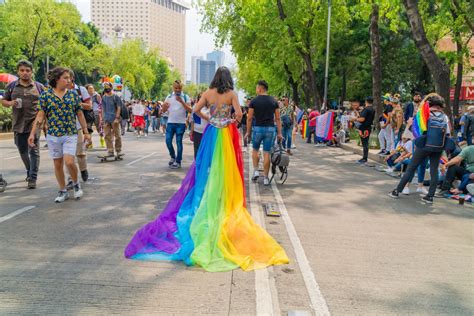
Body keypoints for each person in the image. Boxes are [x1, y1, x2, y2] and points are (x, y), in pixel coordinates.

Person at [124, 66, 289, 272]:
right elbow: (239, 114)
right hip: (226, 135)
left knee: (207, 168)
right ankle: (222, 201)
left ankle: (206, 199)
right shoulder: (231, 94)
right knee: (226, 169)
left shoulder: (209, 93)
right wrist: (230, 120)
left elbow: (194, 110)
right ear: (229, 79)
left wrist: (210, 118)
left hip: (212, 132)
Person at [28, 67, 91, 203]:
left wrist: (86, 132)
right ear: (57, 79)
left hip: (70, 133)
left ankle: (76, 184)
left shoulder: (73, 94)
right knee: (57, 164)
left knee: (69, 161)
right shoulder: (46, 95)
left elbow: (79, 113)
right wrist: (33, 133)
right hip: (53, 135)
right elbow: (40, 116)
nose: (69, 80)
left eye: (69, 78)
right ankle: (62, 190)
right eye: (66, 78)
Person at [389, 93, 450, 204]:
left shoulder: (423, 113)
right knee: (433, 171)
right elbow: (448, 134)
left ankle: (397, 191)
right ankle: (430, 196)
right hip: (438, 147)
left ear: (429, 103)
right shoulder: (445, 117)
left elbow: (416, 131)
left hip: (423, 146)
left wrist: (411, 126)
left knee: (411, 168)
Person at [1, 60, 43, 189]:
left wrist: (44, 122)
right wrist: (10, 103)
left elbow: (45, 105)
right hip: (18, 123)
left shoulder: (39, 87)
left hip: (34, 123)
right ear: (18, 72)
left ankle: (32, 178)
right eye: (22, 70)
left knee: (34, 150)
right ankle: (30, 170)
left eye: (28, 70)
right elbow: (4, 101)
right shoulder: (12, 86)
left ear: (31, 72)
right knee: (22, 150)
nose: (25, 73)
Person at [245, 80, 283, 186]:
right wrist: (279, 133)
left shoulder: (254, 101)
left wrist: (248, 132)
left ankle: (256, 170)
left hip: (257, 129)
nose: (256, 90)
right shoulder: (273, 101)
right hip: (270, 129)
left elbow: (249, 118)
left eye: (257, 88)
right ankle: (266, 178)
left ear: (260, 88)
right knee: (267, 152)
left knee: (255, 150)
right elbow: (278, 118)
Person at [161, 80, 192, 169]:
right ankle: (173, 156)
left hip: (181, 124)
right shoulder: (169, 96)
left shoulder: (186, 97)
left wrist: (182, 101)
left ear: (182, 88)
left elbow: (190, 110)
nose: (178, 90)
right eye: (176, 88)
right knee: (168, 141)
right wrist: (164, 107)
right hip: (170, 123)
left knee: (179, 142)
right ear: (173, 88)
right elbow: (163, 111)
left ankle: (178, 161)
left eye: (179, 88)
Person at [68, 72, 92, 182]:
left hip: (77, 125)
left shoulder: (80, 90)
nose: (66, 80)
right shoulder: (58, 90)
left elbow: (89, 106)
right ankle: (70, 178)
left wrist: (77, 103)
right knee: (68, 155)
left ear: (72, 78)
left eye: (68, 77)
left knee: (80, 153)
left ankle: (83, 169)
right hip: (64, 127)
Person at [101, 82, 123, 157]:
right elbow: (103, 109)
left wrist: (117, 118)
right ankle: (110, 150)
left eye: (108, 87)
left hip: (114, 119)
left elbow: (119, 107)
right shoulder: (104, 97)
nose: (107, 89)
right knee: (107, 135)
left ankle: (118, 150)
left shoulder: (116, 96)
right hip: (106, 119)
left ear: (111, 87)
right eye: (105, 87)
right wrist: (102, 119)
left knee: (117, 135)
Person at [352, 97, 375, 163]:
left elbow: (362, 119)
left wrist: (355, 119)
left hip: (364, 129)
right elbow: (363, 117)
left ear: (366, 101)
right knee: (365, 143)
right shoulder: (372, 109)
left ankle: (364, 158)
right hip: (368, 127)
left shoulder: (366, 109)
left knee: (365, 143)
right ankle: (365, 157)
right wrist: (357, 114)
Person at [86, 84, 104, 148]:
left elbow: (101, 105)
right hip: (88, 113)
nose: (91, 90)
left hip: (96, 113)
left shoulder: (97, 95)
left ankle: (102, 140)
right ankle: (90, 143)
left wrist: (101, 114)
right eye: (89, 88)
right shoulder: (85, 96)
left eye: (92, 88)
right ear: (87, 90)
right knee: (89, 128)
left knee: (98, 127)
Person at [191, 94, 209, 158]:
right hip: (197, 131)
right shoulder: (195, 107)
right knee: (197, 149)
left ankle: (204, 165)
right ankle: (197, 164)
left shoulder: (209, 108)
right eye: (200, 98)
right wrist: (191, 131)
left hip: (206, 132)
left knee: (205, 150)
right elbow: (192, 120)